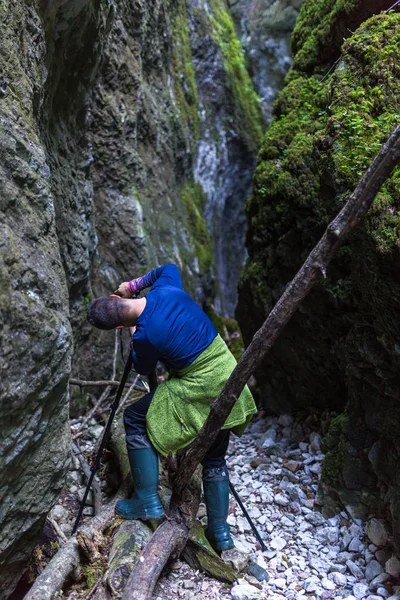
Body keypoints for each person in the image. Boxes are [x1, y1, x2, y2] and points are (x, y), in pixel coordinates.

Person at [87, 263, 257, 552]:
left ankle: (147, 501)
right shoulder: (168, 287)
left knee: (134, 417)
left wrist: (132, 331)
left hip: (201, 385)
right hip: (228, 373)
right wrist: (133, 284)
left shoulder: (144, 336)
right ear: (119, 299)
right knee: (214, 459)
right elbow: (168, 266)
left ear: (116, 325)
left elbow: (143, 366)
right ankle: (221, 534)